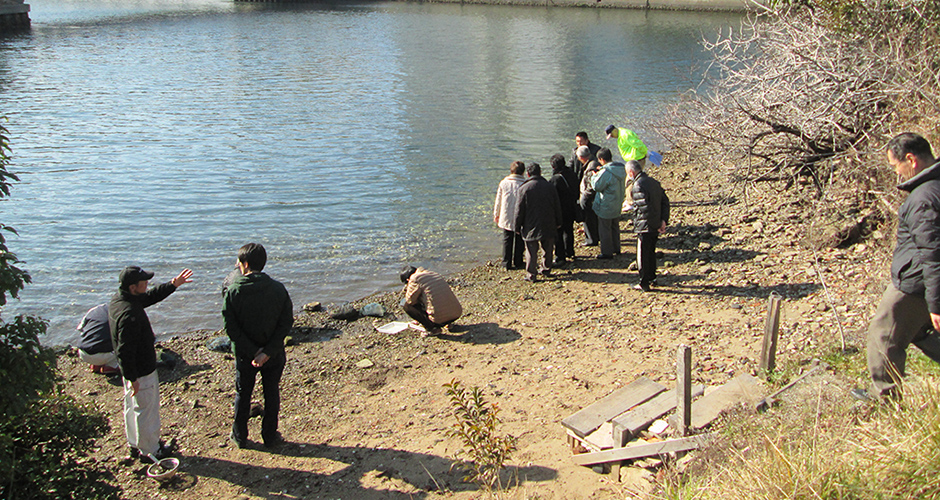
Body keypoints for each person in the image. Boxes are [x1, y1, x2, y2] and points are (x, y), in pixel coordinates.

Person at [857, 132, 940, 400]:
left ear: (911, 160)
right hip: (924, 280)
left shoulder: (922, 199)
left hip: (916, 283)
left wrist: (936, 304)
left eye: (896, 166)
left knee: (883, 335)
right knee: (920, 332)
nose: (897, 174)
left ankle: (884, 399)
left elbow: (933, 253)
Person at [110, 265, 193, 463]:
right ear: (133, 287)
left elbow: (148, 298)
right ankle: (151, 451)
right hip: (141, 371)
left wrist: (173, 284)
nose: (148, 285)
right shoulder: (130, 315)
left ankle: (135, 445)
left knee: (132, 407)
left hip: (132, 371)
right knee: (146, 411)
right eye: (144, 283)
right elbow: (124, 350)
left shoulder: (119, 300)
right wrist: (133, 377)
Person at [222, 243, 294, 449]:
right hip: (273, 355)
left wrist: (253, 352)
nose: (237, 265)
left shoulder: (234, 290)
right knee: (271, 393)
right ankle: (270, 436)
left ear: (244, 265)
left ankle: (239, 436)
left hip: (245, 355)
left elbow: (231, 328)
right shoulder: (278, 289)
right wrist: (268, 351)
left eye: (238, 263)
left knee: (243, 394)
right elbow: (286, 323)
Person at [515, 162, 562, 282]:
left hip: (530, 224)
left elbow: (519, 210)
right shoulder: (549, 186)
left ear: (528, 174)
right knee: (548, 248)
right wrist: (558, 221)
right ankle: (546, 269)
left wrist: (517, 226)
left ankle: (531, 274)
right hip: (548, 222)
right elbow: (557, 205)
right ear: (540, 172)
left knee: (531, 251)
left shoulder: (524, 188)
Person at [626, 160, 669, 291]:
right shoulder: (653, 182)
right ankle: (652, 277)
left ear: (631, 172)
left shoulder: (638, 185)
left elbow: (645, 208)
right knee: (651, 252)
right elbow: (665, 201)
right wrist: (663, 220)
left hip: (645, 225)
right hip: (654, 223)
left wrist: (656, 223)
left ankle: (643, 282)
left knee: (643, 255)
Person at [400, 266, 463, 334]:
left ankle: (433, 329)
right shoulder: (433, 274)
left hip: (439, 320)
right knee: (434, 296)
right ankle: (449, 323)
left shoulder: (414, 278)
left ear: (407, 280)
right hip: (456, 313)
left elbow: (410, 300)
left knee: (405, 304)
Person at [591, 148, 627, 260]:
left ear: (601, 159)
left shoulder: (606, 172)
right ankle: (616, 248)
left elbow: (596, 186)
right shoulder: (621, 168)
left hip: (606, 204)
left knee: (604, 228)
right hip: (618, 201)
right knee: (615, 226)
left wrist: (594, 176)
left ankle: (607, 252)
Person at [493, 161, 526, 270]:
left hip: (506, 214)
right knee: (520, 239)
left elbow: (498, 200)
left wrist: (496, 214)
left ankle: (506, 262)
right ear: (523, 172)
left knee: (507, 239)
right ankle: (518, 261)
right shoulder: (525, 183)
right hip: (520, 215)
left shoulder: (504, 183)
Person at [549, 153, 579, 265]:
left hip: (560, 209)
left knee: (559, 233)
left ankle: (560, 256)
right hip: (571, 206)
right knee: (569, 230)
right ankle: (570, 251)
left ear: (553, 167)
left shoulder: (555, 179)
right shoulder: (572, 174)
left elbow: (552, 195)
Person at [76, 303, 119, 375]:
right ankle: (112, 367)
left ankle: (97, 364)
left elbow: (80, 329)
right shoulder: (122, 314)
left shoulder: (94, 310)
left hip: (83, 353)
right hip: (103, 355)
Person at [577, 146, 601, 247]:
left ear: (581, 158)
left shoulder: (590, 167)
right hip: (592, 198)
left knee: (589, 219)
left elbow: (591, 186)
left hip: (589, 199)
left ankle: (591, 239)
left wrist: (584, 197)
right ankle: (594, 237)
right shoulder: (593, 162)